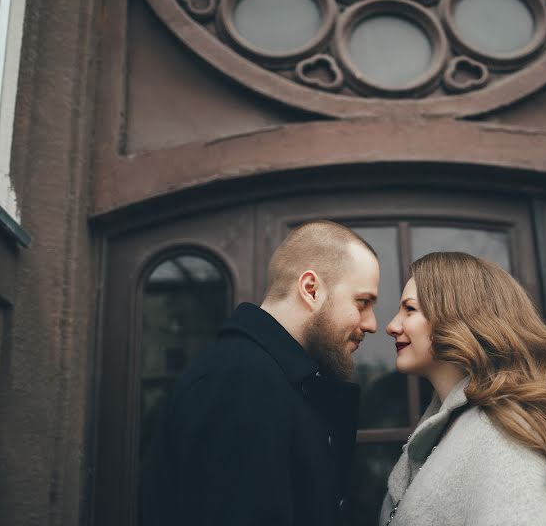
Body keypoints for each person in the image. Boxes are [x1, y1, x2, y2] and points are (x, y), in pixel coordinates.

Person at [139, 220, 380, 526]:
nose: (371, 323)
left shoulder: (279, 379)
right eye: (362, 302)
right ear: (311, 290)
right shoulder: (240, 382)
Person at [381, 252, 546, 526]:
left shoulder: (507, 437)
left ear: (457, 317)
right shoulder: (451, 427)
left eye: (410, 309)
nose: (392, 326)